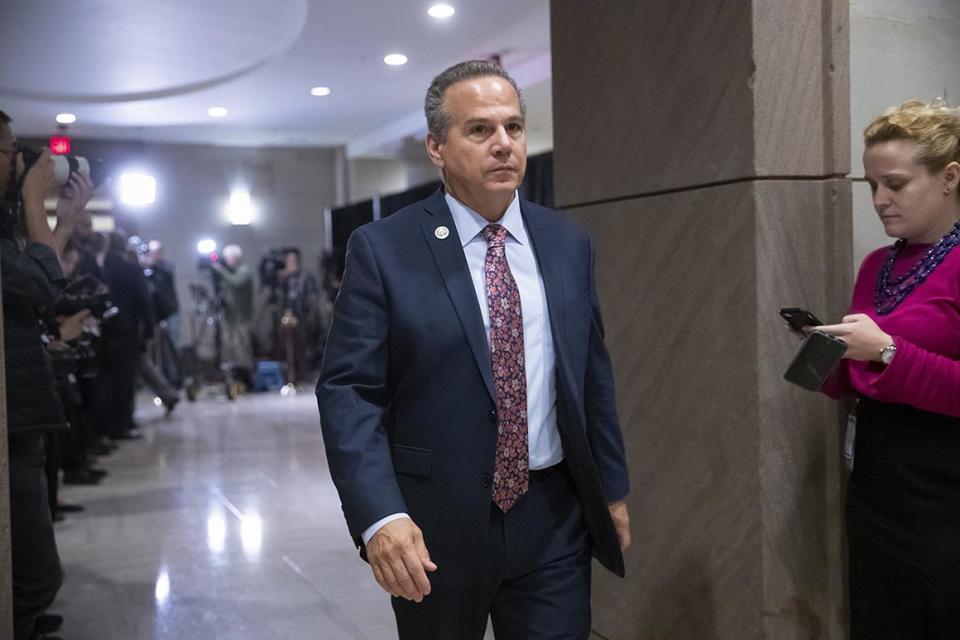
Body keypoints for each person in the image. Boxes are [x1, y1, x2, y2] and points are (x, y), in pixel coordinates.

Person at [317, 60, 631, 640]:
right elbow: (349, 392)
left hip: (553, 518)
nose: (503, 145)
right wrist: (380, 516)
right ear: (437, 147)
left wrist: (610, 489)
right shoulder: (384, 249)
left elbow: (591, 375)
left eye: (513, 127)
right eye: (480, 130)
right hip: (433, 526)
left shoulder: (566, 243)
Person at [808, 99, 960, 638]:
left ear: (949, 177)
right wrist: (829, 355)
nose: (880, 200)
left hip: (947, 486)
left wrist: (886, 351)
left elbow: (892, 359)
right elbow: (864, 381)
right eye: (871, 185)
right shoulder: (879, 263)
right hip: (879, 482)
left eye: (895, 184)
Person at [1, 108, 93, 640]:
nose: (21, 162)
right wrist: (35, 199)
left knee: (31, 575)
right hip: (10, 426)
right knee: (36, 578)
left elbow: (37, 278)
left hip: (22, 419)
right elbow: (41, 288)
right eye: (11, 150)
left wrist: (62, 219)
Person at [212, 244, 254, 375]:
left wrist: (221, 271)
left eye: (230, 257)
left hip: (242, 316)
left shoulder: (243, 271)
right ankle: (233, 372)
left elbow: (236, 283)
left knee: (242, 345)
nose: (227, 260)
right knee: (229, 345)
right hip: (229, 316)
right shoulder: (228, 273)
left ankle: (246, 372)